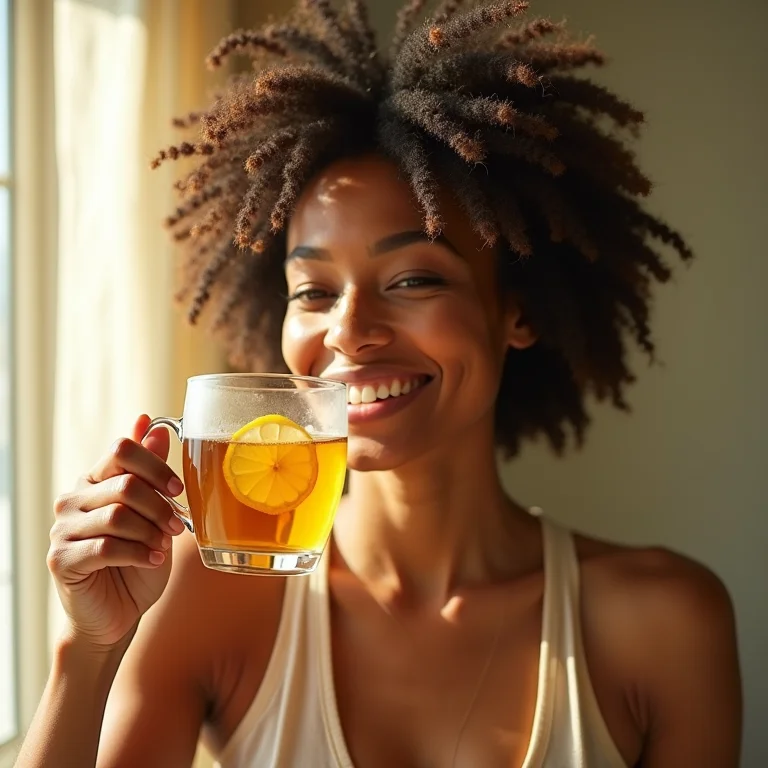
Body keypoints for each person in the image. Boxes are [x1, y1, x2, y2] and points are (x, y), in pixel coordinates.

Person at [17, 1, 741, 766]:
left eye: (415, 278)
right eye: (314, 290)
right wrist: (88, 648)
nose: (349, 331)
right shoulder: (206, 593)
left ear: (515, 312)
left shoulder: (663, 623)